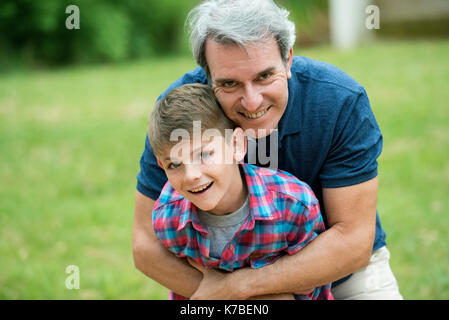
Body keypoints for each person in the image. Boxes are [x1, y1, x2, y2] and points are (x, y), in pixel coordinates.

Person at [133, 0, 403, 299]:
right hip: (212, 278)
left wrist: (243, 287)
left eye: (264, 76)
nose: (252, 101)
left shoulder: (339, 102)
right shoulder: (180, 114)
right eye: (230, 83)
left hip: (338, 273)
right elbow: (146, 245)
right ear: (207, 76)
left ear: (288, 59)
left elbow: (352, 242)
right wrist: (236, 298)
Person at [147, 83, 333, 300]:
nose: (191, 175)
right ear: (161, 165)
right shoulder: (168, 219)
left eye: (203, 155)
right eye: (175, 165)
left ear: (236, 145)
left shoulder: (294, 205)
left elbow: (314, 282)